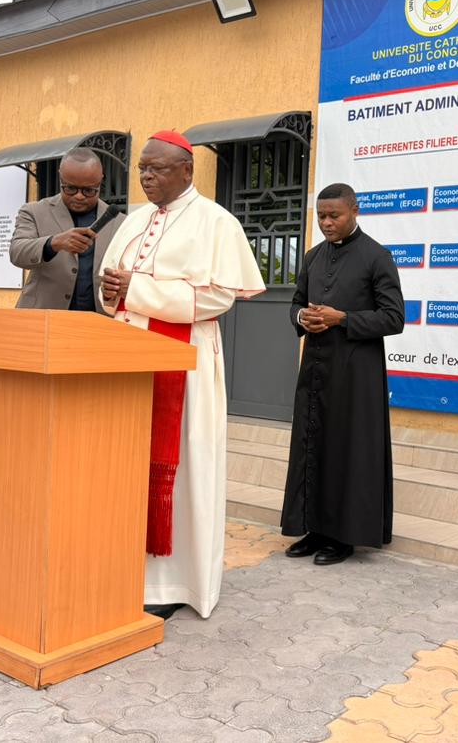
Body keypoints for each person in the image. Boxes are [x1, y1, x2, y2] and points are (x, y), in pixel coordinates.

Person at [98, 130, 265, 619]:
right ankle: (123, 568)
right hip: (127, 361)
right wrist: (115, 292)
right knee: (126, 464)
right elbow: (112, 287)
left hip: (184, 361)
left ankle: (173, 584)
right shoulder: (133, 220)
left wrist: (138, 289)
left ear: (186, 171)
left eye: (158, 168)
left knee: (185, 465)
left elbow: (218, 297)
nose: (147, 176)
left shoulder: (216, 222)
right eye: (142, 169)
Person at [280, 183, 405, 565]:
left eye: (334, 215)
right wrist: (304, 317)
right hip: (316, 368)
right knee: (313, 446)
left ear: (355, 210)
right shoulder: (314, 257)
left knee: (346, 451)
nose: (327, 223)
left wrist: (343, 319)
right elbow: (296, 302)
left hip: (356, 374)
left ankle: (343, 537)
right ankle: (313, 528)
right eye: (321, 216)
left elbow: (394, 317)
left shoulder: (376, 256)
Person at [9, 147, 124, 313]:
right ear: (60, 176)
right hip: (43, 319)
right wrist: (53, 243)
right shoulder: (33, 211)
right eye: (70, 188)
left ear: (100, 180)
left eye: (88, 190)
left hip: (98, 322)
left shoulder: (119, 222)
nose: (78, 196)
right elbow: (17, 252)